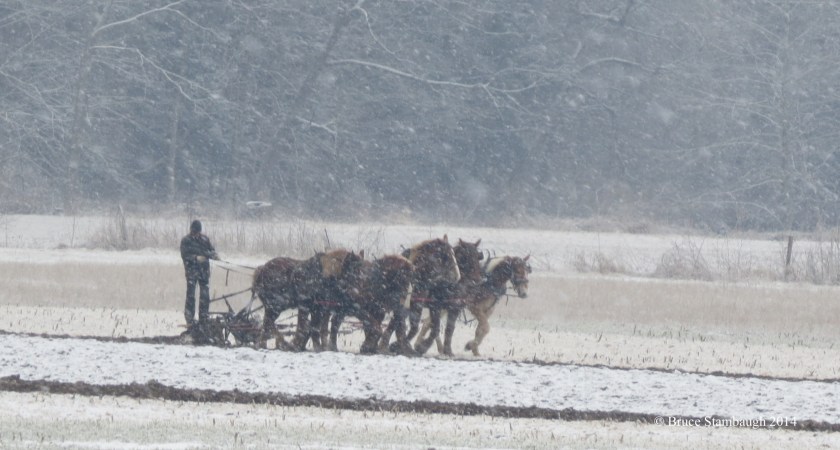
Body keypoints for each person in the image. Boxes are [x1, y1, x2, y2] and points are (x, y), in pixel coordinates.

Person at [180, 220, 219, 334]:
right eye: (194, 231)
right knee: (191, 296)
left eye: (197, 232)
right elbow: (185, 255)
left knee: (205, 296)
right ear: (191, 230)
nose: (196, 234)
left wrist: (214, 255)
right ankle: (190, 319)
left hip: (204, 272)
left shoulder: (205, 240)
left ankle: (203, 318)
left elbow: (210, 250)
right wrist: (195, 258)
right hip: (192, 272)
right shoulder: (186, 241)